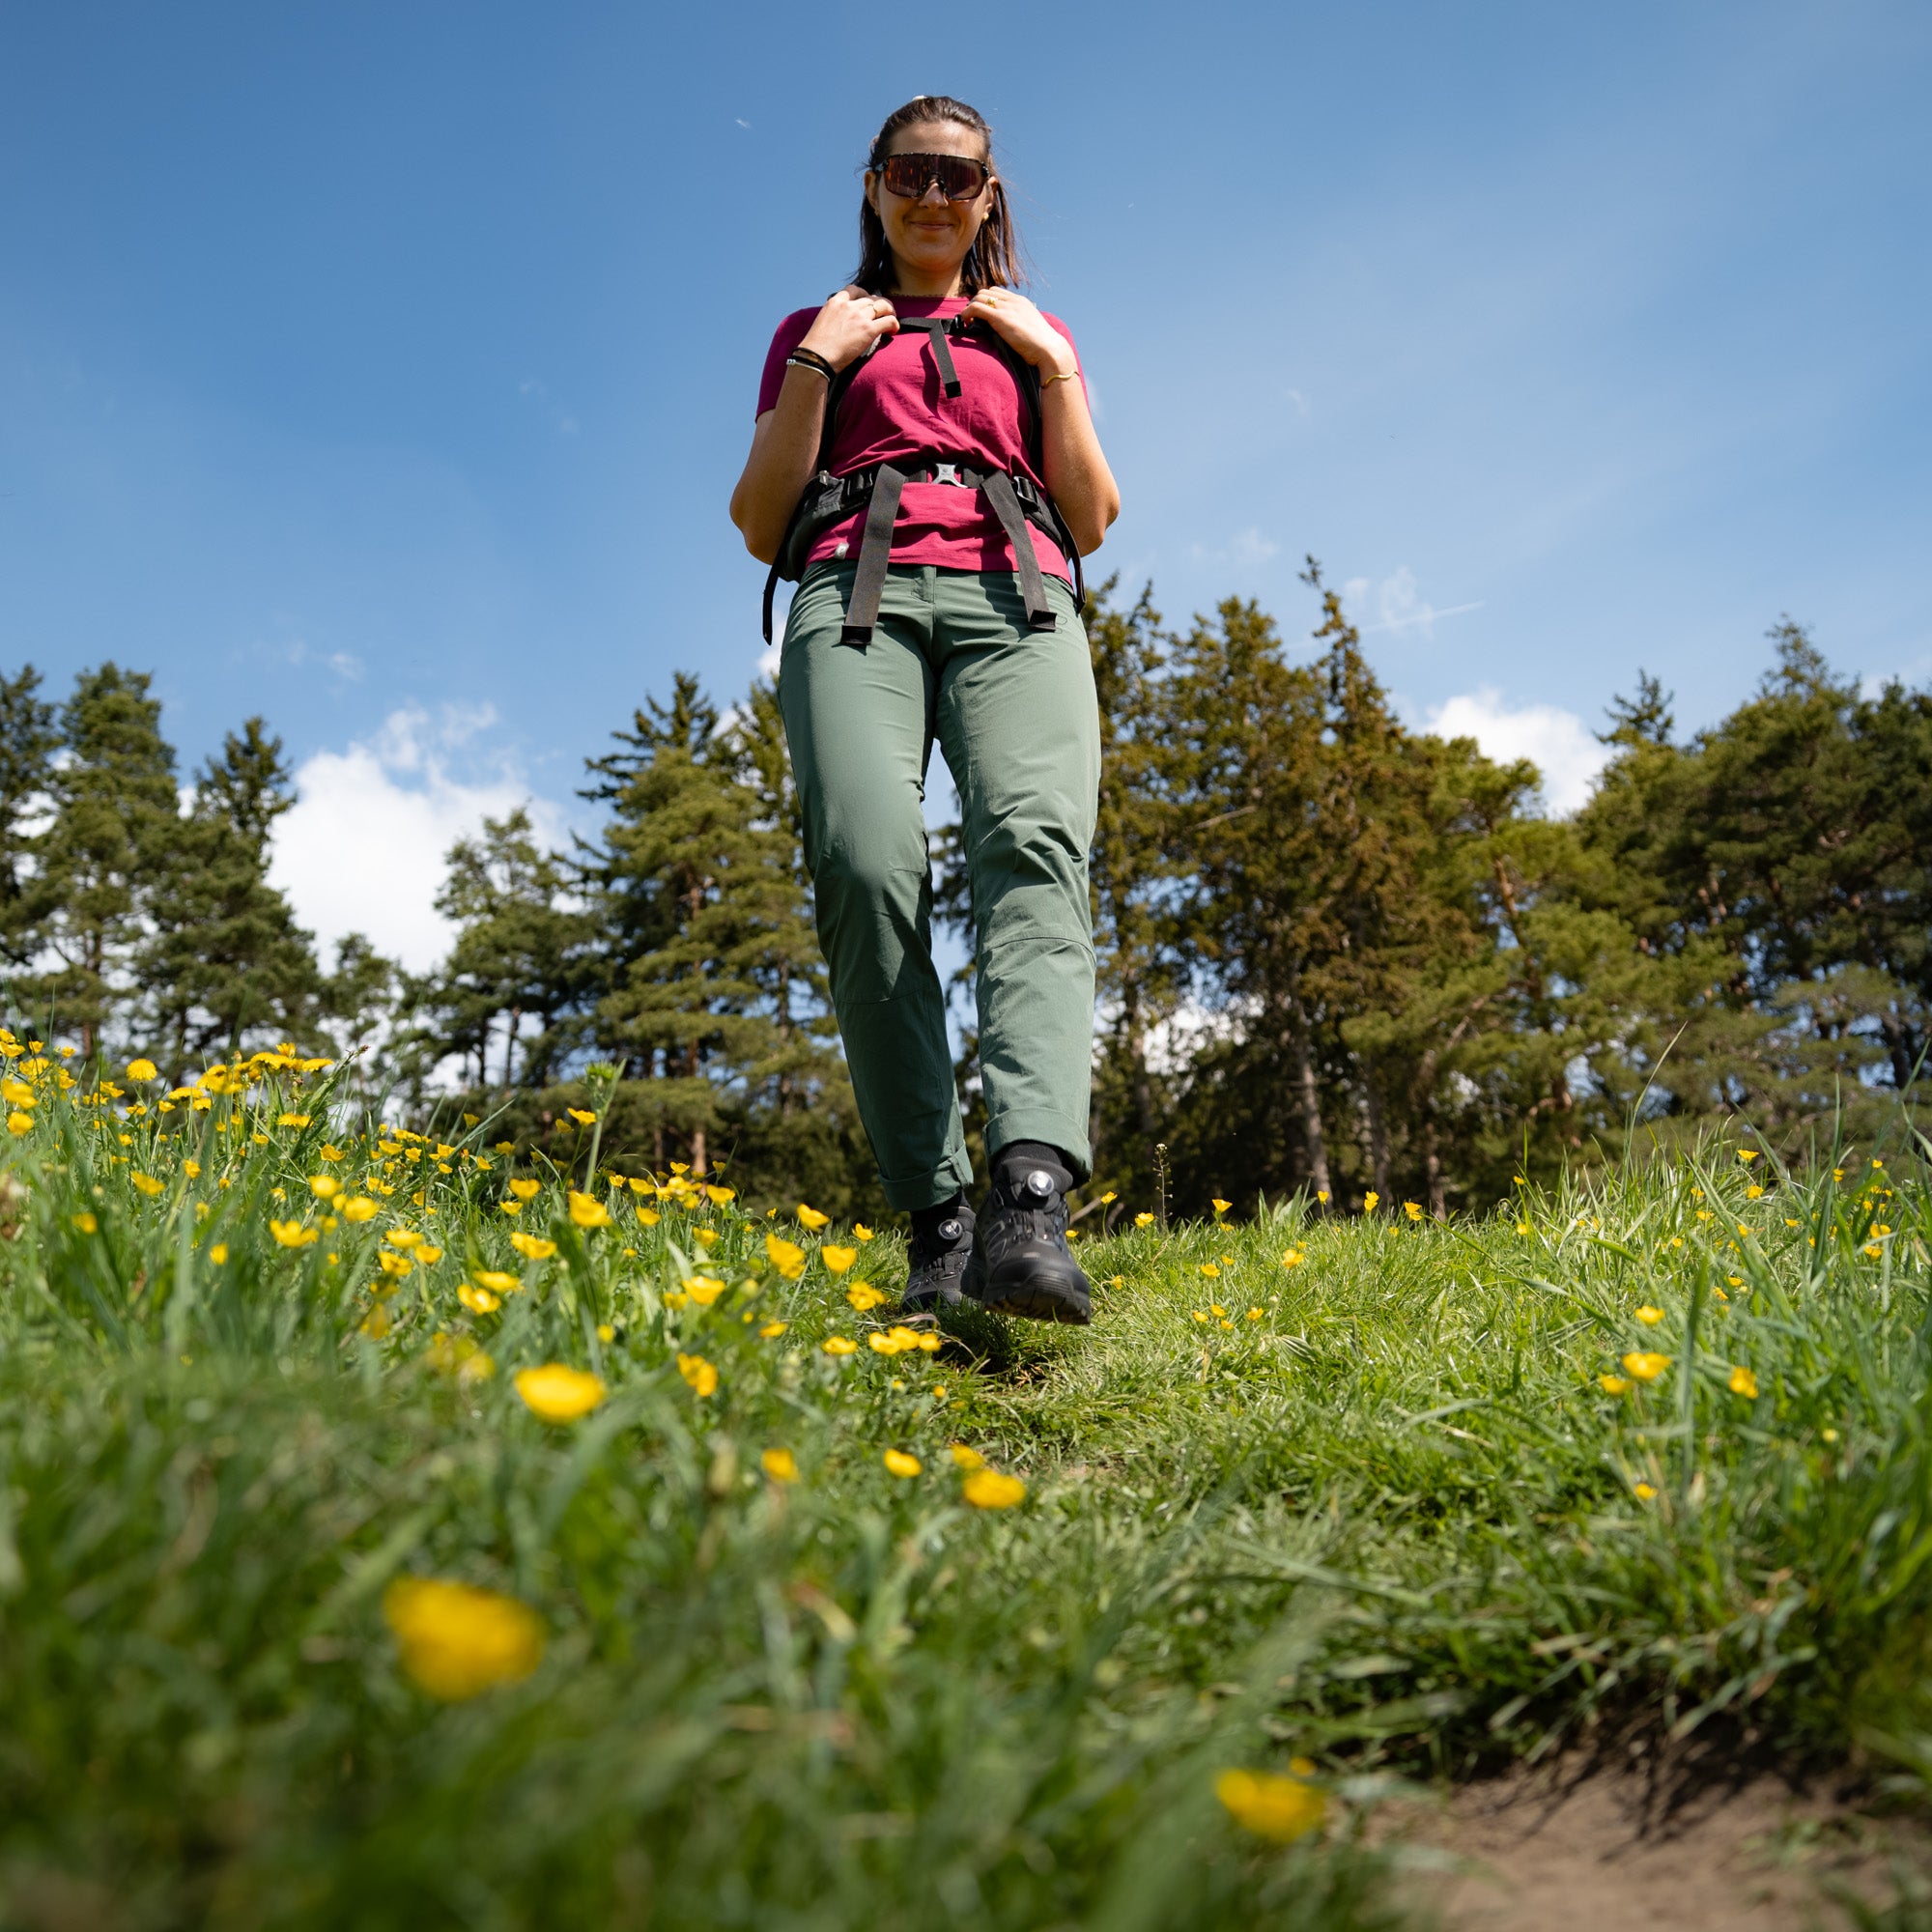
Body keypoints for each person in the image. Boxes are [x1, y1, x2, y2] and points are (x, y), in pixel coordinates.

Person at [730, 95, 1120, 1324]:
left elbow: (1095, 515)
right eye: (911, 171)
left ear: (987, 197)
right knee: (861, 855)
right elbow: (755, 520)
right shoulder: (818, 328)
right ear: (873, 185)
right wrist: (815, 365)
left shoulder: (1029, 334)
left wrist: (1049, 362)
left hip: (1019, 595)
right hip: (854, 592)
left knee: (1032, 845)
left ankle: (1028, 1197)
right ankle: (937, 1218)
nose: (934, 193)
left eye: (959, 176)